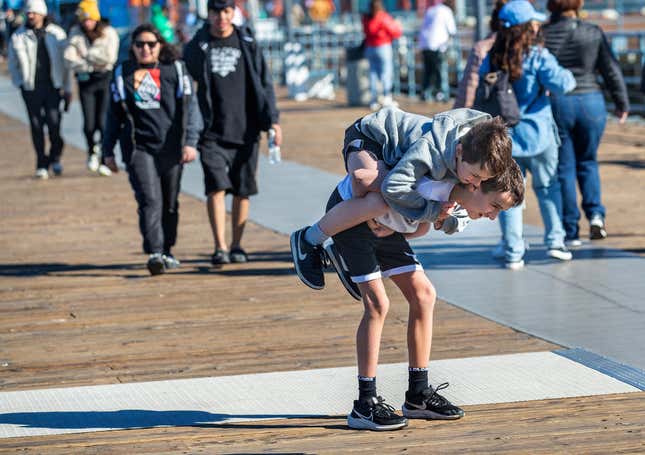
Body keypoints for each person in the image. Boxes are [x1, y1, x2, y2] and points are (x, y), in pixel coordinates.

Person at [324, 142, 524, 431]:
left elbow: (419, 225)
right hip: (353, 219)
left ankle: (418, 395)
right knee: (378, 304)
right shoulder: (430, 181)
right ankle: (364, 405)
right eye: (495, 206)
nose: (493, 216)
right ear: (475, 185)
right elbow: (369, 181)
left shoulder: (453, 197)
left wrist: (406, 225)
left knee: (424, 295)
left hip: (386, 228)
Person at [291, 107, 512, 290]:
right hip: (371, 138)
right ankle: (309, 240)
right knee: (373, 194)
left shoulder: (475, 155)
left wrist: (445, 218)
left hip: (397, 158)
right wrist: (433, 212)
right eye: (474, 177)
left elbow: (460, 202)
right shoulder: (431, 150)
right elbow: (394, 186)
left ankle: (348, 247)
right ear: (459, 151)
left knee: (420, 226)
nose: (474, 184)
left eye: (481, 181)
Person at [184, 0, 280, 266]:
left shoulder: (247, 41)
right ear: (209, 14)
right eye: (216, 12)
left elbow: (265, 83)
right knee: (215, 187)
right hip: (210, 131)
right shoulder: (197, 46)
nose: (221, 17)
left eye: (226, 11)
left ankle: (237, 245)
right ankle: (220, 246)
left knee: (242, 190)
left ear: (233, 13)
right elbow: (185, 84)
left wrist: (273, 121)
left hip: (246, 129)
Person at [481, 0, 576, 269]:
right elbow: (565, 83)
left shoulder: (493, 56)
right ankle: (555, 241)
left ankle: (513, 250)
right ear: (526, 27)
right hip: (540, 134)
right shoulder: (537, 55)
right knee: (548, 188)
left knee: (506, 195)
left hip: (505, 138)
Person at [102, 24, 202, 275]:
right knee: (149, 199)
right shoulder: (122, 73)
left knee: (169, 202)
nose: (145, 49)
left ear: (160, 45)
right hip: (138, 148)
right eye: (139, 45)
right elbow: (113, 116)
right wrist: (107, 150)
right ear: (132, 48)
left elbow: (192, 109)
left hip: (172, 147)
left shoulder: (176, 70)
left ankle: (167, 250)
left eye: (150, 44)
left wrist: (190, 141)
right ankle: (155, 252)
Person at [542, 0, 629, 245]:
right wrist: (621, 102)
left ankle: (571, 230)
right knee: (589, 161)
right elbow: (611, 69)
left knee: (565, 168)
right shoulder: (593, 31)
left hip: (559, 103)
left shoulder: (544, 34)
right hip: (592, 101)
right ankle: (596, 216)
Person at [7, 0, 70, 179]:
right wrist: (19, 83)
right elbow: (13, 63)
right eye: (28, 13)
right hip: (31, 88)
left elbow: (66, 65)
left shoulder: (56, 34)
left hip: (53, 87)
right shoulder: (18, 36)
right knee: (36, 126)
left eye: (33, 13)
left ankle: (55, 157)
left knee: (54, 124)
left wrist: (67, 88)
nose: (30, 16)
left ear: (42, 14)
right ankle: (41, 163)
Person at [64, 0, 119, 177]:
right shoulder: (75, 33)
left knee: (103, 122)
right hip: (85, 82)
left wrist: (86, 56)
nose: (87, 23)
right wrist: (91, 64)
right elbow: (69, 58)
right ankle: (91, 151)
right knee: (89, 124)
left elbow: (109, 58)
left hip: (105, 80)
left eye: (90, 19)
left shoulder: (109, 33)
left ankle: (104, 158)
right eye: (84, 19)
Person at [453, 0, 507, 109]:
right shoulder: (534, 50)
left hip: (493, 113)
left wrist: (461, 116)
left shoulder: (483, 47)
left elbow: (469, 88)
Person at [362, 0, 402, 110]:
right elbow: (395, 32)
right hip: (383, 47)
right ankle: (387, 97)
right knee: (386, 73)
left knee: (373, 74)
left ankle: (374, 100)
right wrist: (397, 25)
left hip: (370, 48)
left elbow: (366, 31)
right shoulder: (383, 16)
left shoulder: (366, 17)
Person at [418, 0, 456, 103]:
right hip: (438, 45)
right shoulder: (447, 11)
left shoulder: (430, 10)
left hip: (425, 44)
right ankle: (441, 94)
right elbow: (452, 30)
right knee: (440, 70)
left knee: (428, 70)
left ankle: (425, 93)